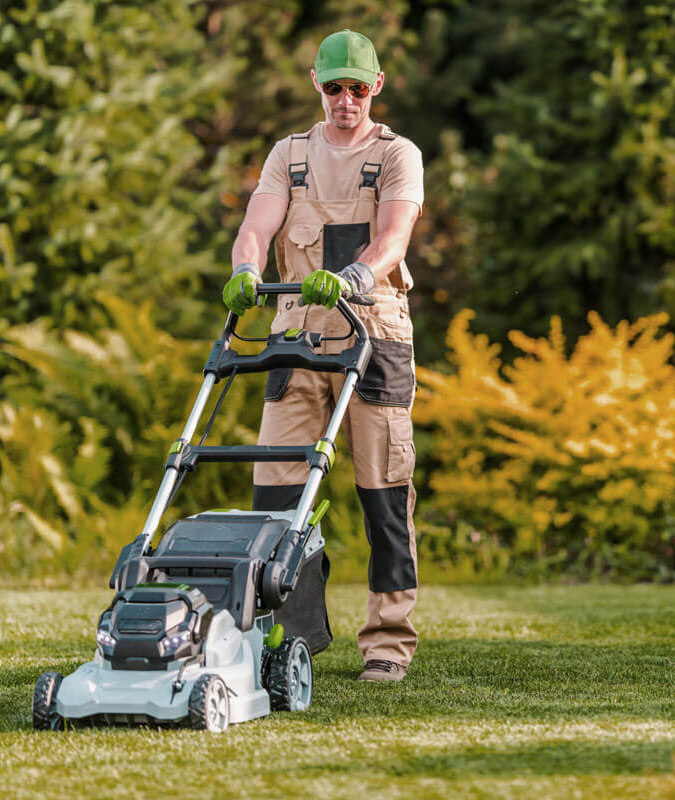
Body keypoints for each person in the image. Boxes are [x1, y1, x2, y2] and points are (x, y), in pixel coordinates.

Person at [223, 29, 423, 682]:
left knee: (382, 497)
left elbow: (393, 236)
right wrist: (247, 269)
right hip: (296, 337)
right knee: (276, 499)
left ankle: (388, 644)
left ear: (377, 87)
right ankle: (291, 636)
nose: (345, 99)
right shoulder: (290, 155)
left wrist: (356, 277)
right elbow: (258, 223)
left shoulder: (398, 156)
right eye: (334, 87)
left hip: (374, 338)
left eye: (357, 88)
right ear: (316, 83)